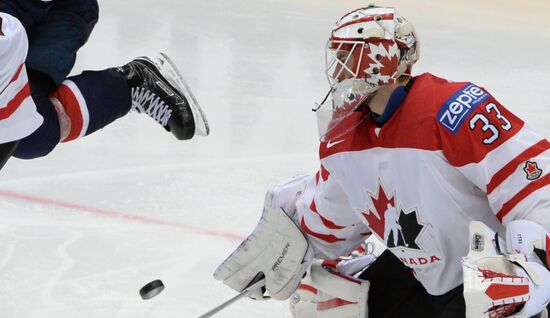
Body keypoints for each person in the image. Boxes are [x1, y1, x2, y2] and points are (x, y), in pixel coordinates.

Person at [213, 5, 550, 318]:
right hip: (431, 280)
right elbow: (331, 219)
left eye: (348, 54)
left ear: (381, 57)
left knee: (498, 298)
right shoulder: (344, 138)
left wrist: (529, 270)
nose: (338, 66)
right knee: (328, 304)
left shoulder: (453, 109)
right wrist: (289, 248)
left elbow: (534, 183)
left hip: (487, 278)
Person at [0, 0, 209, 171]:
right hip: (20, 23)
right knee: (26, 132)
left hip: (56, 15)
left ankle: (130, 83)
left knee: (32, 134)